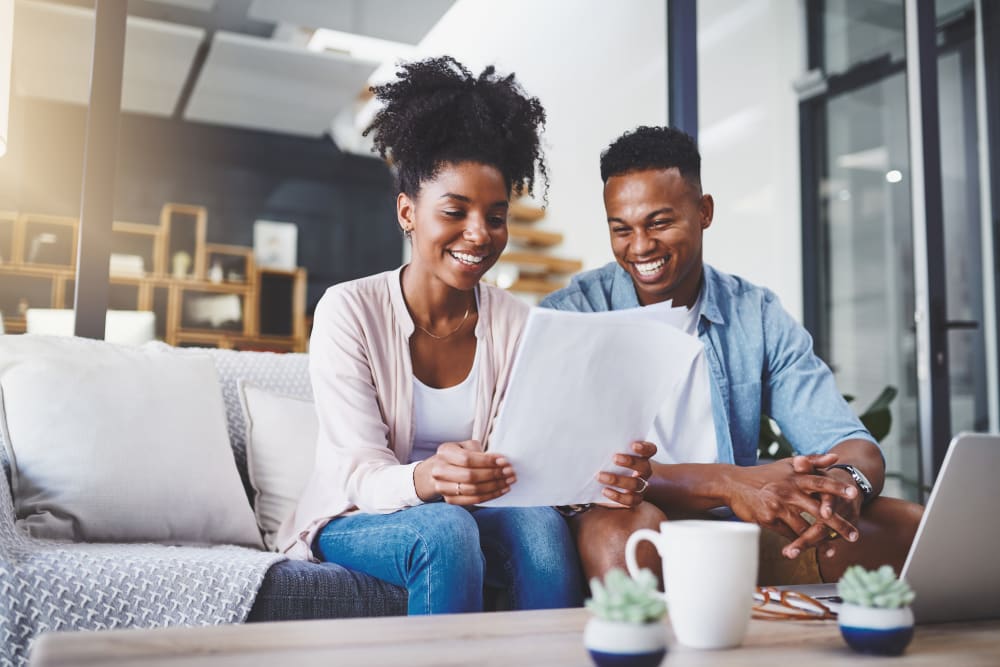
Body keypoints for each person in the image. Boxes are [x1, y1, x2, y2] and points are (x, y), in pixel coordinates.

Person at [541, 125, 923, 585]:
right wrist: (728, 481)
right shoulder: (573, 314)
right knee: (626, 528)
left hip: (733, 526)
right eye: (622, 229)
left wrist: (843, 485)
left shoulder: (754, 313)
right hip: (627, 521)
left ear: (704, 211)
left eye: (659, 223)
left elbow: (852, 443)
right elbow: (580, 469)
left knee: (906, 529)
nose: (639, 247)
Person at [277, 57, 584, 614]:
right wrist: (428, 477)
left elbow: (524, 456)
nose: (479, 234)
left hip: (475, 508)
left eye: (495, 215)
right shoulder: (349, 311)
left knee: (540, 527)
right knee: (443, 530)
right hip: (355, 513)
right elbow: (359, 473)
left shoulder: (515, 321)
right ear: (407, 212)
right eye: (455, 210)